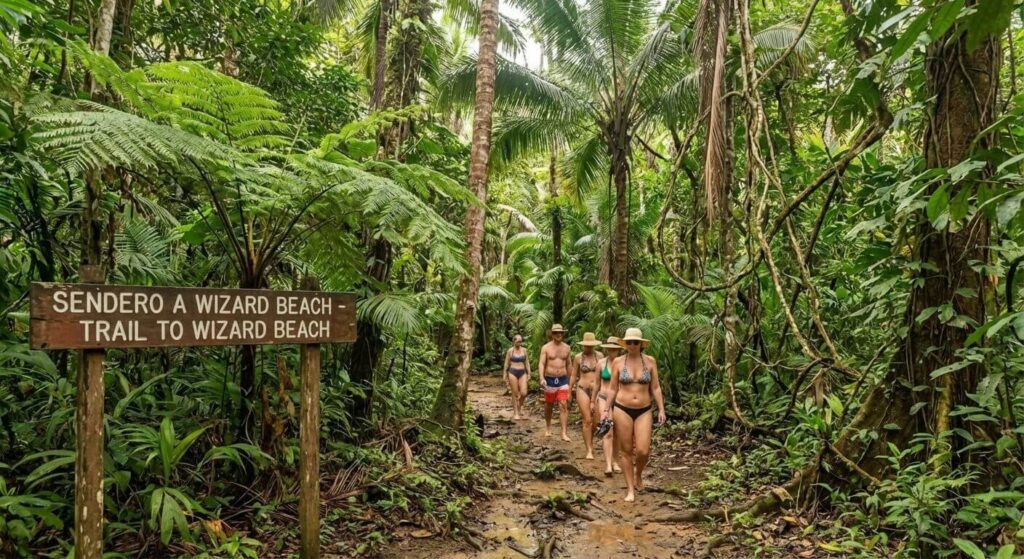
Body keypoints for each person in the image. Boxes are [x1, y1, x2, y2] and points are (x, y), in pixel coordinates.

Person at [601, 328, 666, 502]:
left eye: (635, 342)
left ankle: (639, 474)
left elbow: (656, 387)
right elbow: (613, 388)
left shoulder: (650, 362)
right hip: (622, 408)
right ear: (625, 344)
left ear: (641, 344)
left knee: (643, 450)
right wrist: (606, 410)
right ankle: (630, 489)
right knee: (626, 450)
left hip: (644, 409)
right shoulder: (618, 362)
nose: (632, 345)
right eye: (628, 342)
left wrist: (661, 409)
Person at [569, 332, 604, 459]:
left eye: (591, 345)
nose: (589, 347)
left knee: (596, 420)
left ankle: (591, 439)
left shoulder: (600, 356)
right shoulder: (578, 357)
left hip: (597, 390)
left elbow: (604, 374)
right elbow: (573, 375)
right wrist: (569, 391)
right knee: (587, 420)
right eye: (586, 345)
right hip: (582, 389)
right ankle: (589, 449)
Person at [595, 336, 624, 476]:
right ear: (607, 349)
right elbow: (596, 384)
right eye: (610, 348)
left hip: (619, 401)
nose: (612, 351)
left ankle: (615, 461)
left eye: (615, 348)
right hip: (603, 398)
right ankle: (607, 465)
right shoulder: (601, 363)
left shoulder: (623, 363)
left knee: (618, 433)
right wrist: (591, 401)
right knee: (608, 431)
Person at [539, 324, 572, 441]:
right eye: (556, 333)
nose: (559, 334)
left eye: (561, 332)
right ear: (552, 334)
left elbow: (568, 364)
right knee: (549, 404)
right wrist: (541, 378)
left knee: (563, 404)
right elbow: (542, 363)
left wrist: (570, 381)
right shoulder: (546, 348)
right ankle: (548, 427)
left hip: (563, 379)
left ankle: (564, 432)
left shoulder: (567, 348)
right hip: (550, 380)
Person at [502, 334, 531, 420]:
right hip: (513, 372)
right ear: (514, 341)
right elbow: (506, 363)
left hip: (522, 372)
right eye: (518, 341)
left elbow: (527, 362)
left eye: (520, 341)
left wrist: (529, 373)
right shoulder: (510, 351)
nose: (519, 343)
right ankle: (516, 413)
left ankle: (519, 407)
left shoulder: (524, 350)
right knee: (515, 393)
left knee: (524, 393)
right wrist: (504, 374)